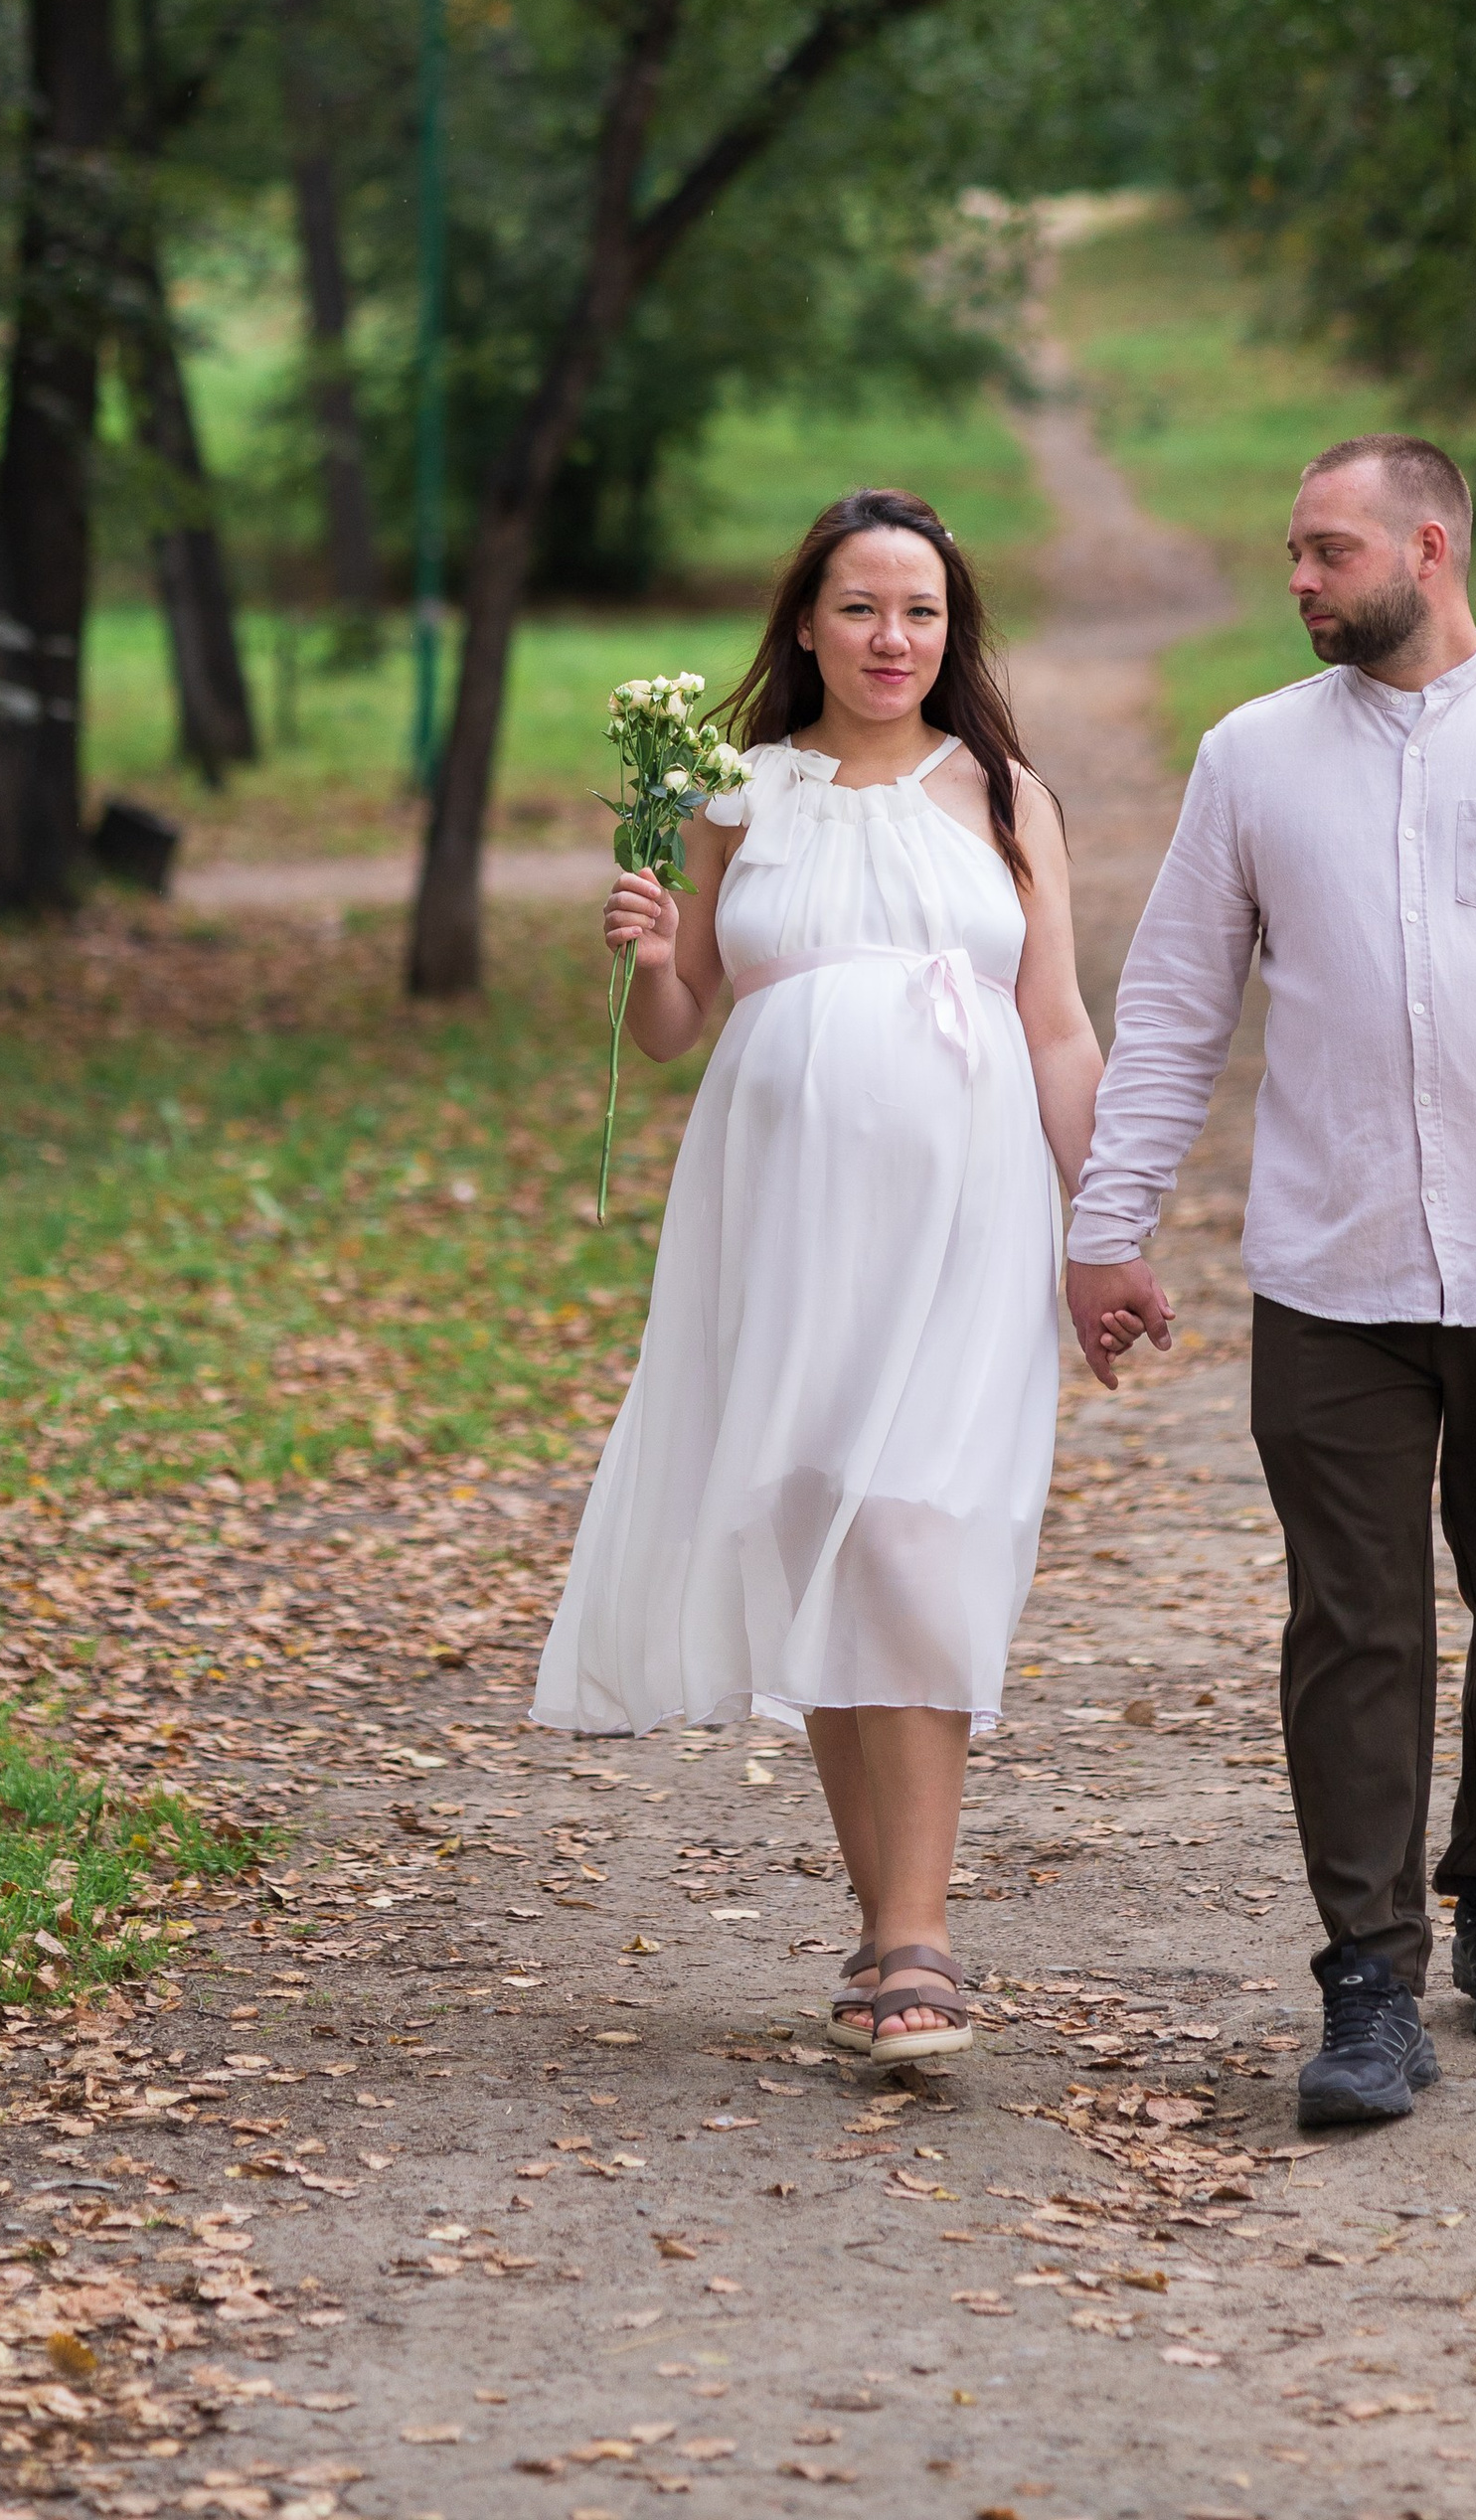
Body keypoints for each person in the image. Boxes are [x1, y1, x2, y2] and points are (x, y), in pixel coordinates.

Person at [1064, 434, 1476, 2130]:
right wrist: (1109, 1224)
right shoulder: (1250, 761)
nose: (1297, 578)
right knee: (1352, 1627)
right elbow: (1171, 1012)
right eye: (1291, 550)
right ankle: (1367, 1982)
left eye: (1325, 550)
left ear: (1428, 548)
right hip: (1333, 1275)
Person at [532, 488, 1102, 2062]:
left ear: (951, 630)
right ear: (807, 623)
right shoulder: (738, 795)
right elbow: (675, 1028)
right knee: (822, 1522)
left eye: (918, 612)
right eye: (860, 608)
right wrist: (650, 953)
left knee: (919, 1528)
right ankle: (885, 1933)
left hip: (969, 1216)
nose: (890, 639)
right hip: (780, 1215)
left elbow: (1054, 1023)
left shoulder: (1005, 797)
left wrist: (1103, 1223)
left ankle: (918, 1937)